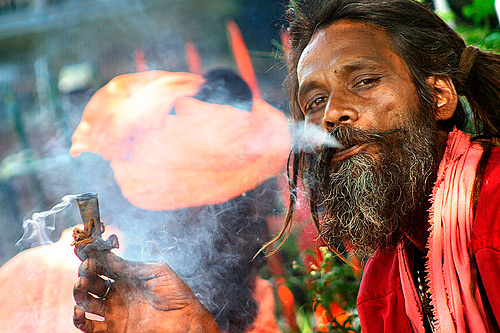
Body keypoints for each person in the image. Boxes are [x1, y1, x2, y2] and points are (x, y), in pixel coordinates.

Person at [73, 0, 500, 332]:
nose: (332, 116)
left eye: (364, 81)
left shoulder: (493, 211)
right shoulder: (384, 282)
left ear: (439, 96)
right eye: (314, 102)